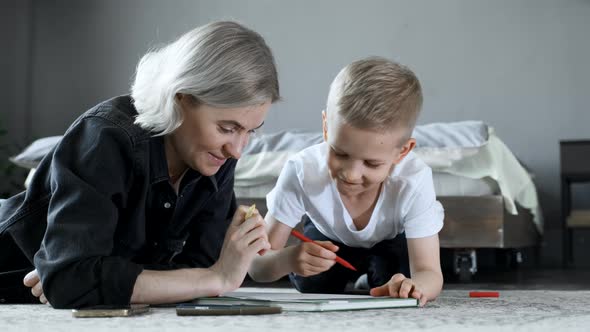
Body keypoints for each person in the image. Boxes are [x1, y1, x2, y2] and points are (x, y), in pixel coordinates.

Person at [0, 20, 279, 308]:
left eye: (251, 131)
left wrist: (92, 281)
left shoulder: (217, 158)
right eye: (226, 128)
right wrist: (218, 278)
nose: (237, 150)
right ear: (179, 98)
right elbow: (70, 281)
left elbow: (197, 270)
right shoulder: (106, 137)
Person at [248, 57, 443, 306]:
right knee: (313, 284)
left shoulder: (414, 180)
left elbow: (430, 273)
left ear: (402, 152)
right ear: (326, 128)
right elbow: (256, 265)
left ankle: (369, 277)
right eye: (339, 153)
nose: (350, 174)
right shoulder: (301, 170)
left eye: (372, 164)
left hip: (390, 240)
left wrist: (416, 287)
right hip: (327, 237)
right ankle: (357, 274)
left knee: (394, 283)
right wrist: (286, 260)